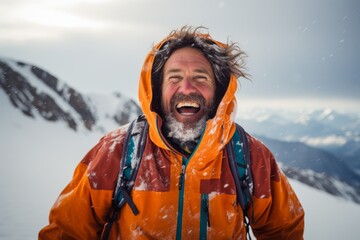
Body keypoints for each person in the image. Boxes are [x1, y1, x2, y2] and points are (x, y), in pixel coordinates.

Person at [39, 26, 304, 239]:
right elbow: (67, 231)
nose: (186, 88)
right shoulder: (116, 151)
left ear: (219, 89)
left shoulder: (249, 155)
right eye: (174, 77)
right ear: (157, 89)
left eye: (201, 77)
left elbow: (284, 232)